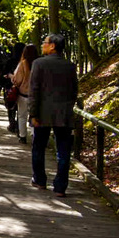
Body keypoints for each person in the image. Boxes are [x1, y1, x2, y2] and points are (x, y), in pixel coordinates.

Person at [29, 33, 78, 197]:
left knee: (38, 147)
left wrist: (33, 113)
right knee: (63, 150)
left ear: (53, 46)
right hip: (64, 114)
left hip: (43, 113)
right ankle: (60, 186)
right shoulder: (70, 66)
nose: (43, 45)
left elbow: (34, 90)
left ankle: (40, 179)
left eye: (45, 42)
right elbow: (74, 91)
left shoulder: (39, 64)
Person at [9, 44, 38, 144]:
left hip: (23, 94)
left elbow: (17, 80)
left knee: (22, 116)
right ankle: (34, 135)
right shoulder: (38, 64)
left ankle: (22, 136)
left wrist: (11, 77)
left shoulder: (23, 64)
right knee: (34, 115)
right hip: (36, 95)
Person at [3, 42, 25, 133]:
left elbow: (3, 74)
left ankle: (12, 123)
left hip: (10, 88)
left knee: (11, 107)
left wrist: (9, 77)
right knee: (21, 110)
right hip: (23, 88)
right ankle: (19, 127)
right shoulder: (26, 63)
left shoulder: (10, 61)